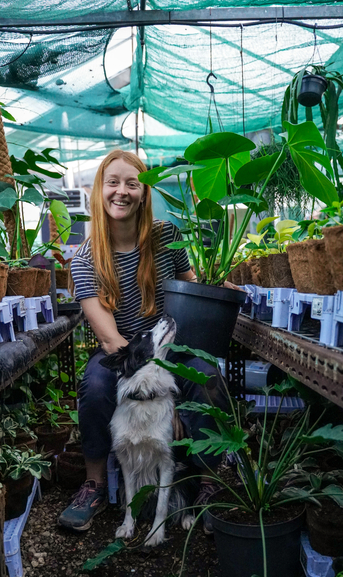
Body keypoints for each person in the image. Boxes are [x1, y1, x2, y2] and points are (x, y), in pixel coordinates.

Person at [59, 149, 235, 535]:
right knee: (95, 384)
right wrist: (160, 398)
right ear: (99, 191)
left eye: (131, 184)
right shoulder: (87, 259)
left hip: (176, 346)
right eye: (113, 182)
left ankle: (207, 481)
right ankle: (94, 483)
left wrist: (226, 288)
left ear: (144, 192)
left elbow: (191, 284)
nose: (121, 192)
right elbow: (110, 340)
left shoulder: (165, 235)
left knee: (206, 376)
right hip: (126, 353)